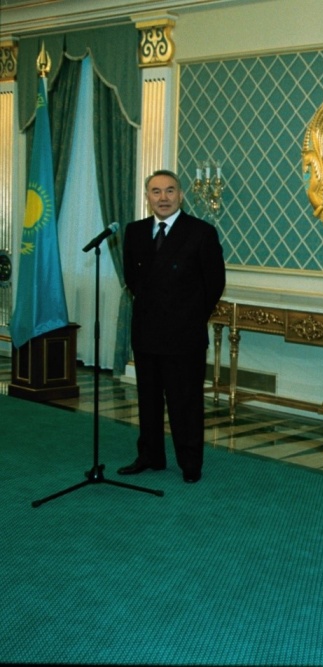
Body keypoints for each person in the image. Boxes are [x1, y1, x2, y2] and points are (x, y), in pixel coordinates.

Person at [117, 169, 226, 484]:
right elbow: (132, 278)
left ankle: (190, 463)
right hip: (147, 331)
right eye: (156, 191)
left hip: (184, 335)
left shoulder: (201, 232)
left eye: (169, 190)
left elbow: (214, 283)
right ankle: (150, 455)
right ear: (147, 197)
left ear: (181, 195)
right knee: (148, 399)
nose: (163, 198)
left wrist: (189, 316)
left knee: (185, 403)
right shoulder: (135, 231)